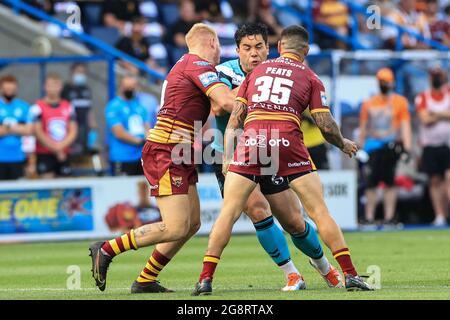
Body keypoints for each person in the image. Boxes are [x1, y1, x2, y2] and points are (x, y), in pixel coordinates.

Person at [193, 25, 373, 294]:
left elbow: (234, 117)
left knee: (291, 221)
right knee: (278, 210)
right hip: (272, 143)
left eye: (258, 48)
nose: (254, 54)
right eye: (247, 48)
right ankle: (327, 274)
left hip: (249, 144)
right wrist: (342, 142)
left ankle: (206, 278)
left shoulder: (258, 74)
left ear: (272, 48)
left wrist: (231, 155)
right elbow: (324, 123)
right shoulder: (303, 76)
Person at [89, 23, 237, 293]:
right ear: (212, 43)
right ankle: (107, 249)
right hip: (167, 150)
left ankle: (145, 280)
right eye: (219, 47)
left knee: (191, 223)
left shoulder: (187, 64)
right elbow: (226, 102)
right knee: (176, 225)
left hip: (179, 150)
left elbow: (217, 104)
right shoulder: (198, 64)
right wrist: (259, 94)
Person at [359, 68, 413, 225]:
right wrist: (360, 148)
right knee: (371, 183)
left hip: (391, 146)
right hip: (372, 147)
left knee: (390, 181)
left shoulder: (400, 102)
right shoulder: (369, 103)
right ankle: (369, 217)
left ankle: (389, 217)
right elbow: (363, 128)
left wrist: (407, 148)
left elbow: (405, 126)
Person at [415, 67, 450, 226]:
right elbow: (425, 120)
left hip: (447, 144)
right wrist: (444, 114)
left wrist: (434, 114)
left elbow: (430, 117)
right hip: (430, 145)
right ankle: (440, 215)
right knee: (435, 181)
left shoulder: (448, 93)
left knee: (448, 179)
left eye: (439, 76)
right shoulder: (423, 97)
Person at [31, 73, 78, 179]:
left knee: (66, 186)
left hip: (64, 152)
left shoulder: (68, 106)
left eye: (56, 85)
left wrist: (61, 147)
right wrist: (55, 149)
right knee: (47, 186)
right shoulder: (37, 107)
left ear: (60, 87)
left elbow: (73, 131)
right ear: (45, 87)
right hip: (45, 153)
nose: (53, 89)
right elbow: (38, 132)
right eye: (50, 85)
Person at [105, 76, 149, 176]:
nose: (129, 90)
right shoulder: (113, 106)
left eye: (132, 87)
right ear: (121, 87)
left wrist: (148, 139)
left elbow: (147, 127)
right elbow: (118, 133)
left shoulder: (140, 106)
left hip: (140, 157)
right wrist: (140, 141)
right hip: (122, 157)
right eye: (127, 87)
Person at [0, 75, 33, 180]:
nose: (9, 91)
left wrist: (6, 127)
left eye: (12, 89)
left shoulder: (23, 107)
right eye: (7, 89)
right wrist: (18, 128)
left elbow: (29, 130)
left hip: (18, 157)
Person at [62, 63, 97, 158]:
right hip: (70, 128)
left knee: (84, 153)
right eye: (78, 72)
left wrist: (93, 126)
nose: (81, 75)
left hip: (84, 126)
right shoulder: (65, 89)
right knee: (72, 153)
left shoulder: (86, 89)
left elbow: (89, 108)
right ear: (72, 72)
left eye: (83, 72)